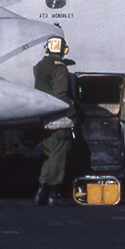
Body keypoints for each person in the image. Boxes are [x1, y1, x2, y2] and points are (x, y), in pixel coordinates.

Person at [33, 36, 75, 206]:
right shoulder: (60, 69)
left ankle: (41, 191)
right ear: (65, 50)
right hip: (59, 117)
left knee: (49, 155)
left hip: (44, 117)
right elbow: (61, 95)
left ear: (45, 49)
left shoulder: (39, 66)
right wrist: (73, 113)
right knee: (59, 155)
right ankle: (54, 194)